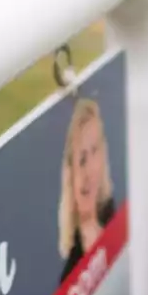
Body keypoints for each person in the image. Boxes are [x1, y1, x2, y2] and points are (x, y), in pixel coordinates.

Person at [58, 97, 116, 283]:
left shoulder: (115, 220)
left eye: (95, 151)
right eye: (81, 160)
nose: (89, 171)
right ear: (70, 174)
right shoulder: (69, 276)